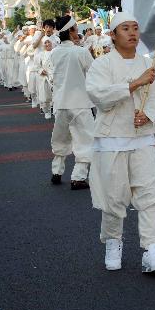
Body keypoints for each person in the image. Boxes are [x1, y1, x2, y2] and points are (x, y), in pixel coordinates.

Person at [86, 13, 155, 273]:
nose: (132, 33)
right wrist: (134, 84)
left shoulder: (149, 63)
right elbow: (98, 95)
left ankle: (152, 248)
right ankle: (113, 242)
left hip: (142, 138)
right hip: (112, 140)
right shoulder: (102, 64)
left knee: (150, 193)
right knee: (114, 197)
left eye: (135, 28)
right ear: (113, 35)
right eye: (125, 28)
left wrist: (149, 114)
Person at [49, 15, 96, 189]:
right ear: (70, 31)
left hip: (60, 103)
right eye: (76, 28)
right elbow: (95, 72)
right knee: (85, 140)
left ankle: (57, 171)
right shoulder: (80, 52)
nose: (78, 31)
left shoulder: (54, 52)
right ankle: (78, 177)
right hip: (80, 103)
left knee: (61, 138)